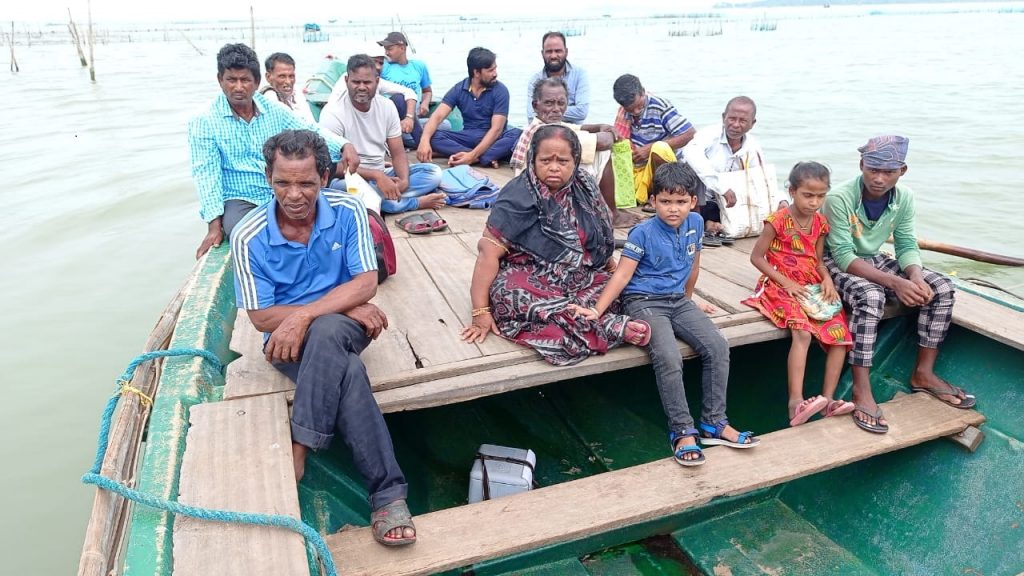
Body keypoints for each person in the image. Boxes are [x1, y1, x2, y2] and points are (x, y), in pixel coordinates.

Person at [230, 129, 415, 546]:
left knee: (330, 330)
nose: (294, 194)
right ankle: (388, 495)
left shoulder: (349, 210)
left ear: (325, 178)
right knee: (348, 369)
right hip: (287, 342)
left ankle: (299, 447)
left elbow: (367, 280)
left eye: (306, 183)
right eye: (283, 182)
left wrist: (307, 314)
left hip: (339, 325)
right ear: (268, 178)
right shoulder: (248, 234)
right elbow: (261, 317)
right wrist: (339, 305)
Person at [570, 162, 760, 467]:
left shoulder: (696, 223)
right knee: (669, 356)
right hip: (643, 301)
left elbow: (693, 265)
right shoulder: (642, 232)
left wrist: (689, 302)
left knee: (717, 346)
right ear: (653, 200)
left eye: (681, 202)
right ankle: (683, 431)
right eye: (666, 201)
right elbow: (621, 276)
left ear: (693, 202)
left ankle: (714, 423)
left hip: (677, 300)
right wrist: (596, 309)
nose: (674, 209)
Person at [460, 125, 652, 366]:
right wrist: (480, 313)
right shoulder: (518, 194)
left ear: (576, 162)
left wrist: (613, 272)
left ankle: (588, 319)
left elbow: (600, 238)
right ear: (532, 159)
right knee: (508, 295)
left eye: (562, 161)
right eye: (545, 160)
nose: (553, 167)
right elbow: (488, 253)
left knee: (628, 288)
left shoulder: (585, 187)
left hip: (580, 276)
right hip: (530, 278)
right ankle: (611, 327)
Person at [824, 135, 975, 434]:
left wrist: (915, 278)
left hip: (875, 258)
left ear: (902, 171)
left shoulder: (904, 197)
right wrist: (896, 283)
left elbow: (906, 243)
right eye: (872, 170)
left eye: (888, 172)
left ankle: (923, 373)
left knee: (941, 288)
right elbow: (842, 255)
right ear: (861, 165)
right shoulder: (839, 198)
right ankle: (861, 388)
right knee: (871, 296)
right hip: (836, 262)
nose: (879, 179)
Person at [188, 43, 359, 259]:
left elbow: (309, 129)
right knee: (245, 234)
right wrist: (213, 226)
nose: (238, 87)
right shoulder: (204, 121)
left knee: (329, 215)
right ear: (220, 80)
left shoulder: (273, 109)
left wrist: (344, 145)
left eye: (245, 80)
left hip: (280, 189)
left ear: (257, 82)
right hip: (241, 198)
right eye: (232, 80)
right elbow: (206, 175)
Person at [743, 162, 856, 427]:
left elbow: (816, 260)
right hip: (778, 283)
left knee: (840, 335)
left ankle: (828, 400)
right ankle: (796, 402)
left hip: (810, 283)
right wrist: (786, 283)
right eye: (808, 195)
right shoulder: (778, 220)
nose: (814, 202)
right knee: (802, 331)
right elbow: (757, 258)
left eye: (820, 196)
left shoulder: (820, 223)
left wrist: (827, 279)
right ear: (792, 191)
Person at [319, 54, 445, 214]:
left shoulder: (387, 107)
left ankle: (388, 195)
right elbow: (331, 167)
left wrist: (403, 181)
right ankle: (411, 202)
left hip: (382, 174)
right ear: (346, 81)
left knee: (433, 173)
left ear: (377, 82)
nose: (362, 87)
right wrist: (376, 176)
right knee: (346, 190)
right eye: (356, 82)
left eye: (367, 82)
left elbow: (398, 152)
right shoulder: (333, 113)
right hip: (348, 178)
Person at [511, 78, 631, 225]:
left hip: (541, 187)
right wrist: (613, 133)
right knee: (602, 153)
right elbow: (603, 142)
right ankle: (612, 215)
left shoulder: (542, 125)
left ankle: (606, 211)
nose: (556, 109)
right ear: (536, 106)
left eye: (561, 103)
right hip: (540, 195)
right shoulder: (548, 133)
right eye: (549, 103)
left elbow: (578, 128)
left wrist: (602, 126)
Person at [416, 47, 522, 167]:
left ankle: (471, 156)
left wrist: (471, 156)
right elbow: (437, 116)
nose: (495, 74)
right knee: (432, 135)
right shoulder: (459, 89)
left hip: (494, 138)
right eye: (490, 70)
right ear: (476, 73)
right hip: (469, 137)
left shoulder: (501, 90)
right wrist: (424, 141)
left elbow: (496, 130)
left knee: (518, 134)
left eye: (495, 69)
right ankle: (485, 157)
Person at [683, 96, 765, 246]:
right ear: (723, 117)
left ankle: (711, 224)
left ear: (752, 124)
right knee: (693, 169)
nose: (736, 125)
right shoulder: (708, 135)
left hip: (726, 205)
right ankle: (698, 225)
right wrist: (721, 187)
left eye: (742, 121)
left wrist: (781, 201)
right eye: (732, 119)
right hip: (698, 202)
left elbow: (760, 179)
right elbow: (690, 154)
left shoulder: (753, 147)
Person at [612, 74, 696, 208]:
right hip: (640, 169)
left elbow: (689, 133)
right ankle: (640, 195)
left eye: (639, 106)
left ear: (643, 92)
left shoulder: (659, 106)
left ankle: (660, 197)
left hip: (667, 170)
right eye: (631, 109)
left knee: (659, 148)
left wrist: (649, 148)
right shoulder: (623, 112)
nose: (635, 112)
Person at [326, 44, 421, 146]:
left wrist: (409, 117)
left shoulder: (377, 82)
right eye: (374, 62)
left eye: (381, 63)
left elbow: (409, 92)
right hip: (348, 132)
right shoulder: (348, 84)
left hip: (369, 127)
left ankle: (422, 143)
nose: (378, 67)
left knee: (398, 99)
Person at [525, 32, 590, 124]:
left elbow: (582, 112)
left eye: (558, 51)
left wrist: (546, 110)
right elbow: (531, 116)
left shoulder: (579, 74)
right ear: (542, 53)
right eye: (549, 51)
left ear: (566, 52)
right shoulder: (535, 80)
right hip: (544, 132)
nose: (553, 56)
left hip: (575, 133)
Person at [378, 32, 433, 121]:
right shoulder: (383, 66)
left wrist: (425, 103)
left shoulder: (419, 66)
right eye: (385, 49)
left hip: (414, 117)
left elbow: (427, 91)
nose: (386, 53)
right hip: (392, 118)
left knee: (446, 124)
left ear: (402, 48)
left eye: (389, 49)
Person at [259, 52, 315, 124]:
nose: (288, 82)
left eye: (291, 76)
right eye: (282, 76)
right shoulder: (269, 97)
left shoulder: (296, 93)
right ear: (268, 77)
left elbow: (311, 123)